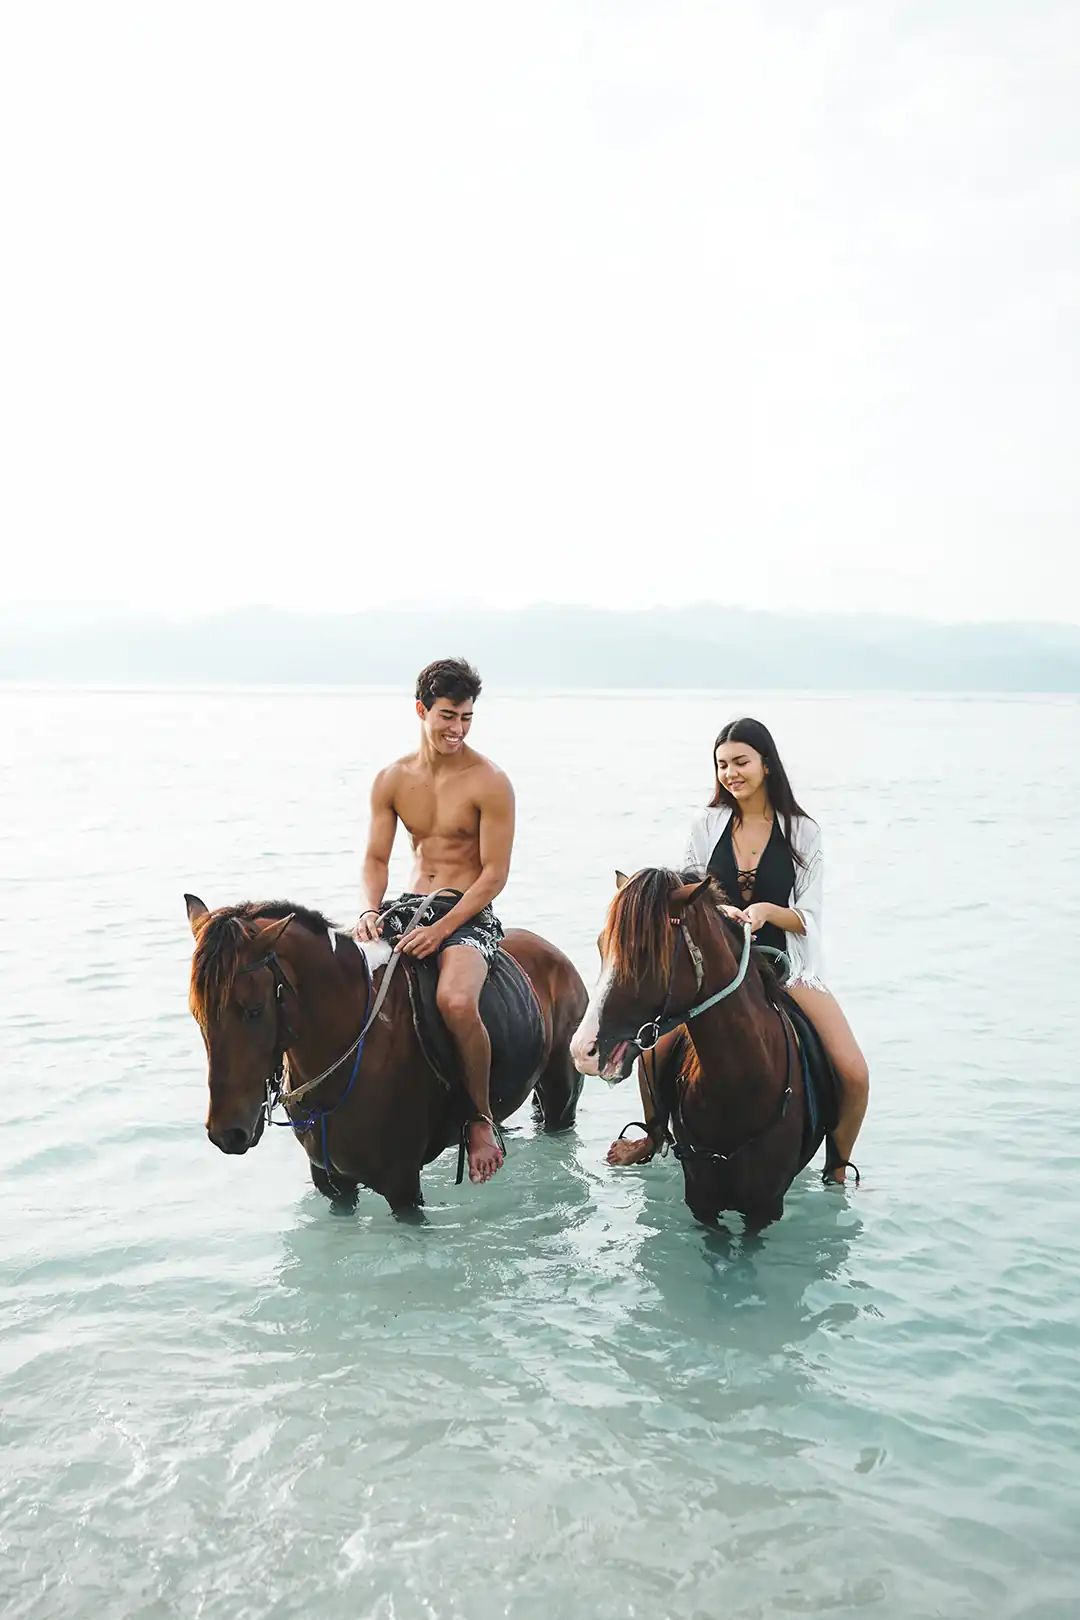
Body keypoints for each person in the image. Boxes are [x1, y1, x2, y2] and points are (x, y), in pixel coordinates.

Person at [607, 716, 869, 1182]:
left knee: (853, 1073)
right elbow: (687, 889)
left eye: (741, 762)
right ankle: (654, 1135)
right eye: (723, 764)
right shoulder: (706, 824)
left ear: (766, 764)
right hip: (715, 973)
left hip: (786, 969)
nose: (731, 773)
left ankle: (837, 1165)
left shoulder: (802, 831)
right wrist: (719, 912)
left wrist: (768, 910)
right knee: (651, 1051)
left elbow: (809, 916)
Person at [354, 657, 515, 1184]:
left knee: (455, 1000)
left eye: (467, 717)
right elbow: (376, 859)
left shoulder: (490, 782)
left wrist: (443, 931)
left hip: (466, 914)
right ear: (421, 709)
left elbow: (493, 875)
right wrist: (369, 911)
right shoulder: (392, 779)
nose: (457, 728)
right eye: (448, 715)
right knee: (344, 984)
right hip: (405, 907)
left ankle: (481, 1118)